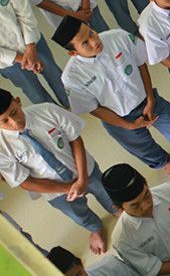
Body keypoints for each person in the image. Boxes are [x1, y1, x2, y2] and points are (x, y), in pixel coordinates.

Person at [54, 17, 170, 178]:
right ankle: (164, 162)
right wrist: (129, 125)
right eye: (85, 43)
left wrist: (151, 99)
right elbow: (94, 109)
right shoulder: (72, 77)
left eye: (91, 33)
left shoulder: (118, 37)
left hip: (148, 100)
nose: (94, 41)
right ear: (73, 52)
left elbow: (140, 64)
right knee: (142, 148)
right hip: (118, 118)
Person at [0, 87, 115, 254]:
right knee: (78, 214)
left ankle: (116, 209)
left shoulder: (47, 110)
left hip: (84, 170)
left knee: (105, 192)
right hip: (55, 191)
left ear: (18, 101)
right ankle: (95, 228)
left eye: (14, 112)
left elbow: (75, 139)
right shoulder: (2, 148)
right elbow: (25, 182)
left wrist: (82, 178)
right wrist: (67, 188)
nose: (15, 122)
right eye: (4, 121)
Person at [0, 0, 68, 106]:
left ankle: (73, 104)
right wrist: (21, 58)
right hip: (7, 60)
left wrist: (30, 46)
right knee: (34, 92)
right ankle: (53, 119)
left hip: (30, 39)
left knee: (54, 74)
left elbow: (21, 5)